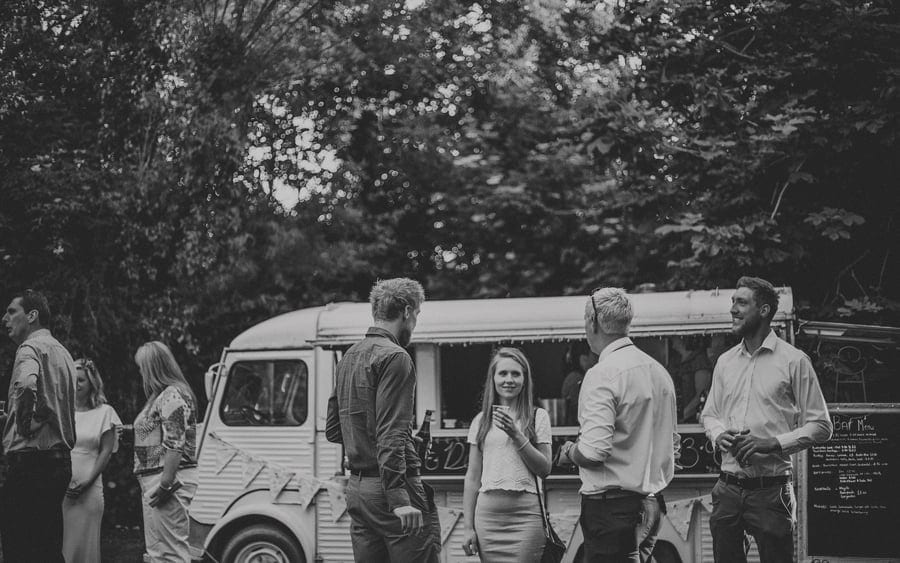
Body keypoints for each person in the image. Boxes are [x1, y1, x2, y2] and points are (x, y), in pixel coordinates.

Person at [701, 277, 832, 563]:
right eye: (732, 302)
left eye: (741, 302)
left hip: (771, 491)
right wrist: (718, 433)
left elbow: (821, 426)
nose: (733, 309)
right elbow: (710, 414)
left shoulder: (794, 361)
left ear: (763, 310)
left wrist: (772, 443)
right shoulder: (725, 362)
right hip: (727, 489)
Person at [556, 287, 678, 562]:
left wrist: (569, 452)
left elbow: (593, 453)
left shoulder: (602, 373)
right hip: (652, 504)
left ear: (593, 322)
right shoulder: (659, 372)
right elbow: (674, 444)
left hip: (612, 510)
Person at [325, 278, 441, 562]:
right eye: (416, 314)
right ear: (406, 311)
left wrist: (365, 441)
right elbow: (390, 432)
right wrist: (399, 498)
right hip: (390, 488)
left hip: (358, 490)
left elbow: (333, 429)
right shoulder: (396, 358)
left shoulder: (348, 357)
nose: (414, 322)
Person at [0, 289, 77, 563]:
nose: (4, 319)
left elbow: (26, 383)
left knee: (20, 550)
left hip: (31, 466)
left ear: (31, 316)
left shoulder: (29, 348)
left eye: (11, 312)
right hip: (58, 464)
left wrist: (22, 423)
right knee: (47, 549)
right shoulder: (64, 353)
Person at [461, 347, 553, 562]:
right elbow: (472, 477)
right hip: (487, 519)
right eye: (502, 373)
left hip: (527, 518)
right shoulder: (481, 421)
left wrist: (517, 435)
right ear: (492, 378)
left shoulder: (538, 416)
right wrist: (467, 528)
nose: (509, 380)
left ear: (525, 379)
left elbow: (545, 469)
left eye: (516, 374)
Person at [133, 341, 199, 562]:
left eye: (142, 367)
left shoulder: (172, 394)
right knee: (157, 554)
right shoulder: (160, 396)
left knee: (171, 554)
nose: (140, 372)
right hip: (156, 478)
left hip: (168, 479)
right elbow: (159, 436)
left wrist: (165, 484)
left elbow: (175, 440)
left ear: (153, 367)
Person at [63, 358, 122, 563]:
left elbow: (106, 452)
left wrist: (87, 482)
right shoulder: (63, 412)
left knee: (85, 547)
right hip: (62, 488)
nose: (76, 384)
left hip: (90, 489)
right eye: (73, 379)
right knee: (63, 546)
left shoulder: (105, 413)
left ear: (92, 384)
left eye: (81, 380)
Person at [560, 344, 597, 426]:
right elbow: (577, 409)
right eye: (594, 356)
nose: (597, 359)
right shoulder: (575, 379)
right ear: (583, 359)